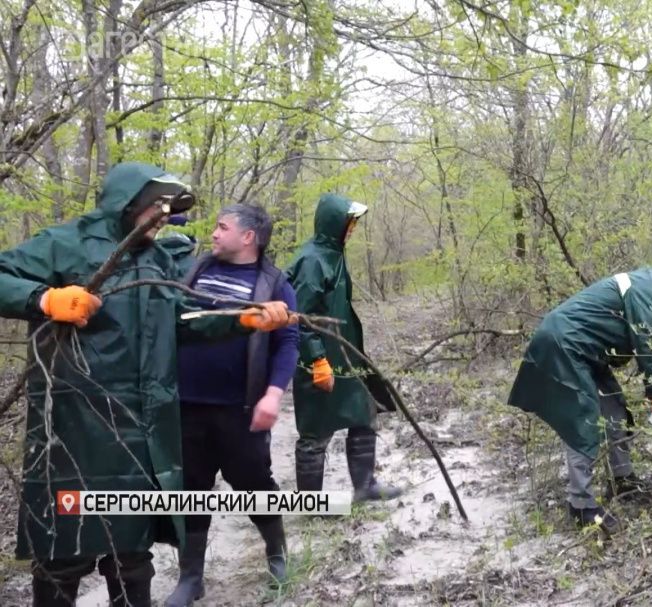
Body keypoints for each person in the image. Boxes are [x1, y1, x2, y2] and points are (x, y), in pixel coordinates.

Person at [0, 162, 293, 607]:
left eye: (169, 207)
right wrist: (43, 298)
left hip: (142, 431)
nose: (165, 215)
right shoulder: (65, 244)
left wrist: (243, 319)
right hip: (73, 431)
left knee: (132, 553)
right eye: (158, 204)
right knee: (64, 550)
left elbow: (184, 321)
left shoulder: (157, 261)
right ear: (129, 202)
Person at [506, 253, 652, 534]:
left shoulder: (651, 289)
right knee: (583, 422)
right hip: (564, 346)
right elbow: (646, 344)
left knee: (616, 412)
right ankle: (581, 506)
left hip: (588, 352)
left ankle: (622, 479)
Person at [165, 204, 299, 606]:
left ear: (248, 237)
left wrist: (274, 394)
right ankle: (191, 577)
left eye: (223, 227)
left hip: (240, 409)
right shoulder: (194, 270)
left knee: (255, 484)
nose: (214, 233)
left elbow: (288, 342)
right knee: (192, 491)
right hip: (185, 405)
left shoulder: (273, 282)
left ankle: (276, 554)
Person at [286, 193, 402, 504]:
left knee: (364, 413)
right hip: (319, 358)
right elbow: (301, 317)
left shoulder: (333, 253)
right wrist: (317, 360)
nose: (352, 229)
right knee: (316, 430)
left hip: (345, 354)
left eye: (353, 224)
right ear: (333, 223)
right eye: (349, 223)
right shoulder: (312, 260)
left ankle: (364, 487)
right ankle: (309, 502)